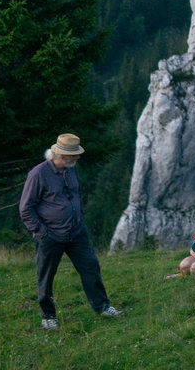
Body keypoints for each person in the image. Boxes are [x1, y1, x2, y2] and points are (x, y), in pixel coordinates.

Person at [19, 133, 123, 329]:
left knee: (91, 266)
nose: (78, 157)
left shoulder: (70, 170)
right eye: (74, 154)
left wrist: (78, 217)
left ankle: (102, 306)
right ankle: (48, 316)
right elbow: (26, 208)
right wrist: (42, 232)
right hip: (51, 235)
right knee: (46, 276)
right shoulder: (38, 174)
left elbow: (76, 195)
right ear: (63, 155)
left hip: (76, 232)